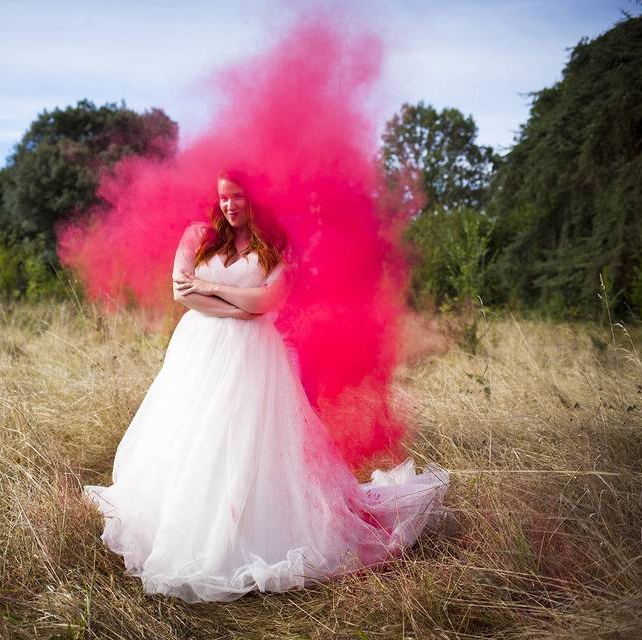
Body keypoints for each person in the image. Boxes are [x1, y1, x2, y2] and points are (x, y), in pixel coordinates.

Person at [83, 170, 449, 603]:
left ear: (254, 199)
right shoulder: (197, 235)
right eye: (223, 197)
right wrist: (237, 306)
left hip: (254, 355)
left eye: (238, 197)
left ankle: (246, 527)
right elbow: (183, 293)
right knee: (195, 429)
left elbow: (269, 301)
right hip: (199, 350)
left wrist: (211, 288)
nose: (229, 206)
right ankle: (185, 520)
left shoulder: (273, 246)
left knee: (245, 435)